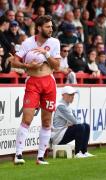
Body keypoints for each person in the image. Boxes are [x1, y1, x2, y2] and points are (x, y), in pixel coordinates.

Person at [10, 15, 61, 165]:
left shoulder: (54, 42)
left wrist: (46, 54)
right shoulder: (27, 42)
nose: (51, 29)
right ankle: (18, 154)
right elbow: (14, 61)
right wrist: (27, 67)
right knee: (27, 118)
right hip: (33, 82)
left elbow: (56, 66)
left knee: (46, 121)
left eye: (51, 26)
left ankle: (40, 157)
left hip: (49, 82)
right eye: (47, 27)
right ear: (39, 28)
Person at [51, 86, 94, 158]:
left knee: (86, 126)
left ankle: (84, 152)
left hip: (62, 133)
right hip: (57, 137)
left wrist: (73, 124)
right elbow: (75, 121)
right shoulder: (61, 107)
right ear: (63, 95)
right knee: (80, 127)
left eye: (73, 95)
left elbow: (75, 121)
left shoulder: (67, 107)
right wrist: (72, 123)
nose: (72, 97)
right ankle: (77, 153)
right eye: (70, 95)